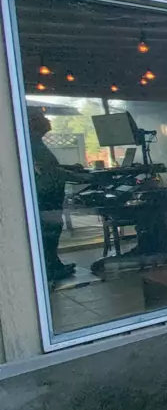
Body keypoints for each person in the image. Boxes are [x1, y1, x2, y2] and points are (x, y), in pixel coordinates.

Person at [27, 107, 79, 282]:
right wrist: (81, 177)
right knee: (50, 231)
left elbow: (50, 167)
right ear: (33, 122)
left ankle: (54, 265)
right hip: (47, 196)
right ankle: (51, 269)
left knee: (52, 231)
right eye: (42, 117)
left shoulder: (36, 142)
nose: (47, 121)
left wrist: (71, 168)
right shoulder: (32, 143)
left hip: (49, 194)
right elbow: (51, 171)